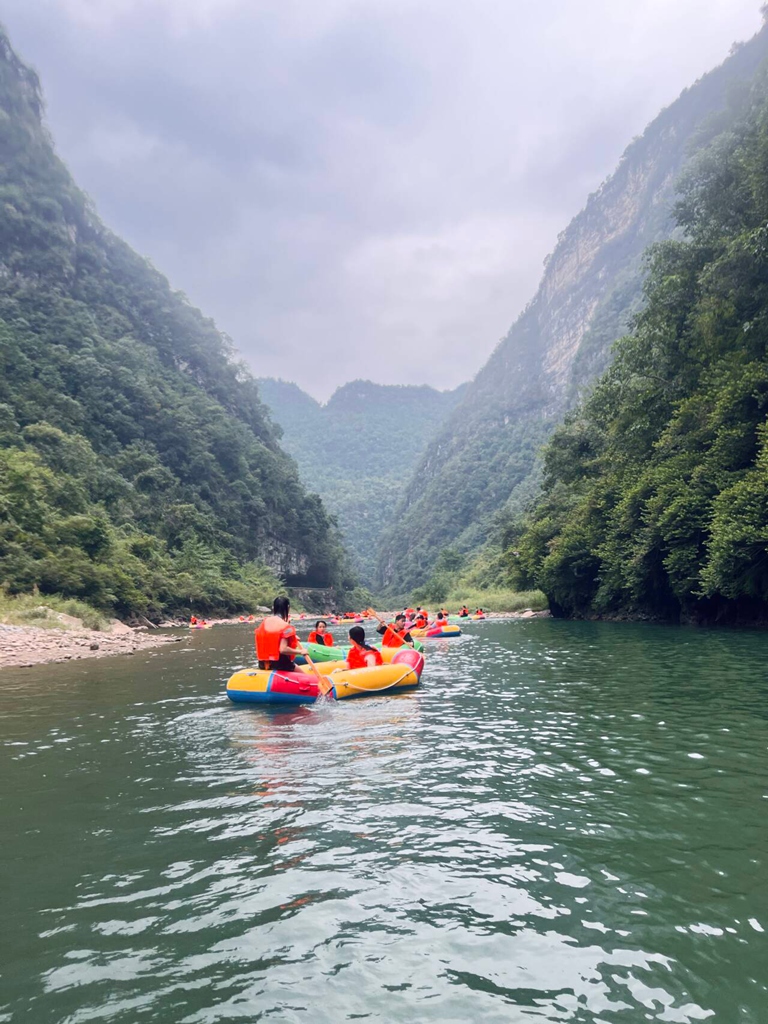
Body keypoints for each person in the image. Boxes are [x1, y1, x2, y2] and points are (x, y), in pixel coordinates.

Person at [255, 596, 298, 671]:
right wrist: (301, 652)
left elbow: (273, 637)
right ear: (288, 608)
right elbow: (283, 649)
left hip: (263, 664)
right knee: (304, 675)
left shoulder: (264, 622)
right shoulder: (286, 626)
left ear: (273, 607)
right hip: (281, 665)